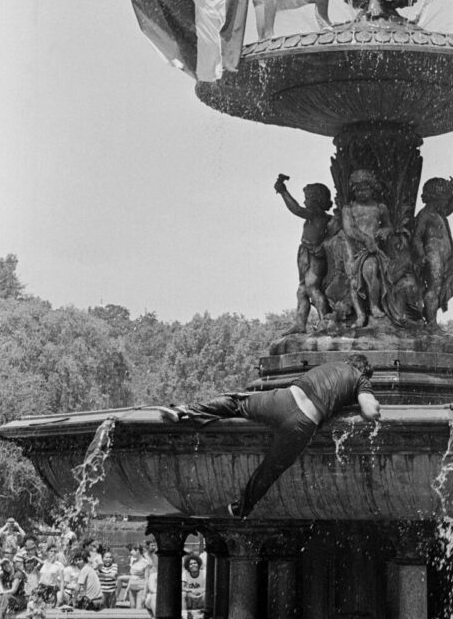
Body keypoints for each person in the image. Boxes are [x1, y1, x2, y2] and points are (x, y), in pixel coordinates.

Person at [172, 354, 380, 519]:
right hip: (302, 424)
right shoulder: (359, 378)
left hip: (282, 400)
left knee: (237, 404)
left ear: (348, 362)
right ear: (363, 371)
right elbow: (370, 411)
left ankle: (187, 410)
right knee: (269, 470)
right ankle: (240, 509)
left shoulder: (331, 365)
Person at [340, 170, 405, 328]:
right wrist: (366, 239)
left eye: (366, 189)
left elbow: (389, 225)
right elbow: (349, 229)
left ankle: (374, 305)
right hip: (354, 249)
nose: (362, 193)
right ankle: (360, 314)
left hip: (373, 250)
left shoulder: (380, 208)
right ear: (353, 190)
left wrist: (386, 230)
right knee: (353, 281)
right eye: (358, 190)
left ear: (372, 189)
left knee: (371, 269)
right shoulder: (349, 209)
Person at [274, 174, 333, 332]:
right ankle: (300, 324)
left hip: (315, 255)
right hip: (305, 253)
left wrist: (283, 192)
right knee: (301, 290)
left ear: (317, 200)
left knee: (312, 288)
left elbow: (296, 209)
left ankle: (325, 321)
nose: (305, 202)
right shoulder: (319, 216)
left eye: (308, 198)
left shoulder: (317, 215)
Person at [410, 177, 453, 328]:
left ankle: (430, 318)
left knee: (439, 289)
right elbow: (417, 237)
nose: (446, 202)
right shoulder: (425, 215)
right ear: (435, 198)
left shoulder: (439, 215)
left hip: (443, 258)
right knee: (434, 288)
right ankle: (431, 322)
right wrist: (422, 255)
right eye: (444, 199)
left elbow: (451, 207)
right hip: (433, 256)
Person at [126, 545, 151, 609]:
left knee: (139, 609)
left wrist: (144, 594)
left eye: (132, 550)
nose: (131, 552)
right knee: (132, 608)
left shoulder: (146, 563)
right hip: (131, 588)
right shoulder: (133, 561)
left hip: (140, 589)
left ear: (137, 550)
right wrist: (127, 590)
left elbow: (147, 579)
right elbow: (131, 576)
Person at [181, 554, 204, 619]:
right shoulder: (185, 573)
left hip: (201, 596)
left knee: (207, 594)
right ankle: (184, 615)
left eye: (195, 563)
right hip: (190, 597)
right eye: (190, 564)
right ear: (188, 566)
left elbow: (208, 587)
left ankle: (204, 613)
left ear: (198, 564)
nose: (193, 565)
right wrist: (190, 590)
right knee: (183, 594)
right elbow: (181, 587)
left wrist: (199, 591)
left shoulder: (204, 573)